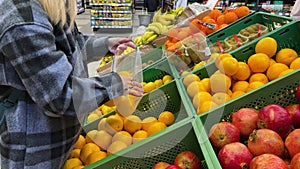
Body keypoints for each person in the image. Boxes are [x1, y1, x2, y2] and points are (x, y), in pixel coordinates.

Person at [0, 0, 143, 168]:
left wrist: (104, 45)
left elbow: (70, 45)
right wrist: (113, 83)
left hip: (60, 141)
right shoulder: (24, 19)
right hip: (36, 151)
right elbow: (59, 96)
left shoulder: (52, 5)